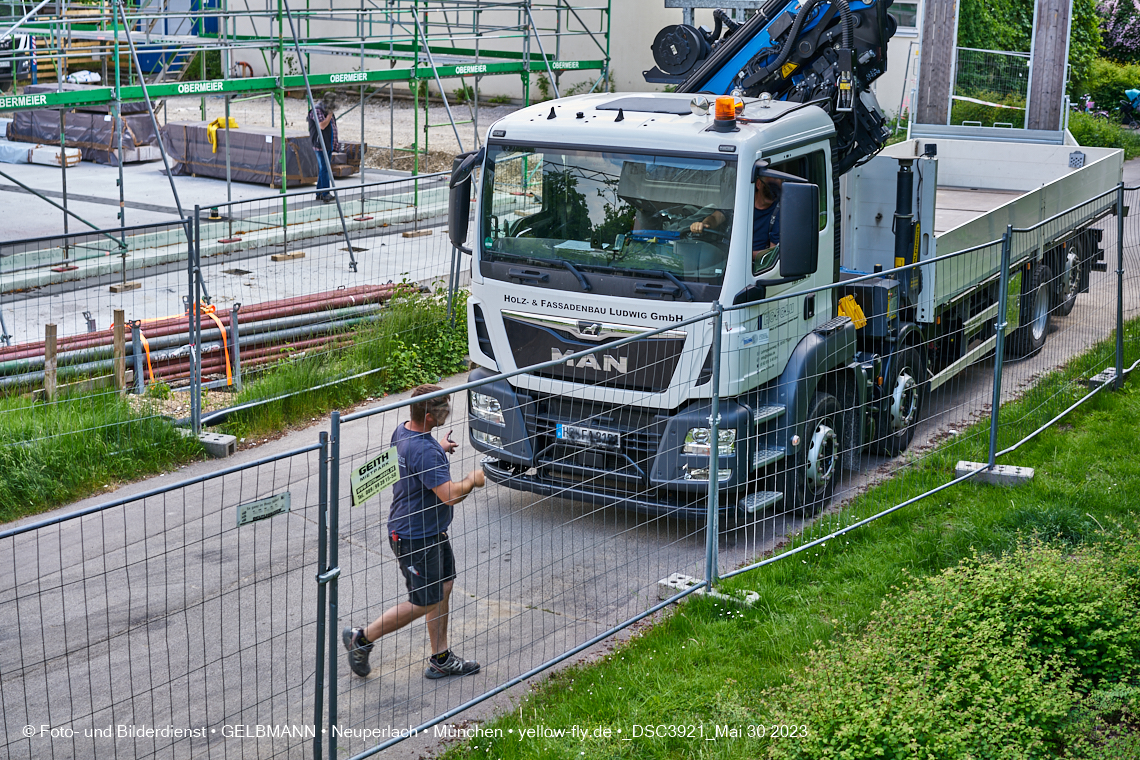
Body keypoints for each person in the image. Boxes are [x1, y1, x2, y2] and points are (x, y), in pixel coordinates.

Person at [343, 385, 487, 679]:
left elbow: (414, 462)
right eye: (444, 407)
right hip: (414, 537)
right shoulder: (424, 451)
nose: (448, 411)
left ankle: (441, 658)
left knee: (444, 587)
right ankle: (361, 639)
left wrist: (440, 449)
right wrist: (471, 480)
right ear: (431, 416)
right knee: (423, 601)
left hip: (432, 531)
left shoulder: (405, 431)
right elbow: (449, 495)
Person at [690, 176, 781, 272]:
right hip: (723, 257)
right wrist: (704, 224)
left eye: (777, 188)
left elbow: (772, 253)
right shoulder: (739, 199)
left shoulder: (780, 210)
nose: (773, 191)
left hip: (753, 268)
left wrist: (741, 255)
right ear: (758, 184)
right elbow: (716, 218)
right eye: (770, 186)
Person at [308, 91, 339, 203]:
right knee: (324, 168)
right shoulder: (317, 110)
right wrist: (330, 115)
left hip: (327, 144)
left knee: (324, 168)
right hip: (320, 144)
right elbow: (322, 125)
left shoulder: (326, 110)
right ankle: (325, 193)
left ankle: (320, 193)